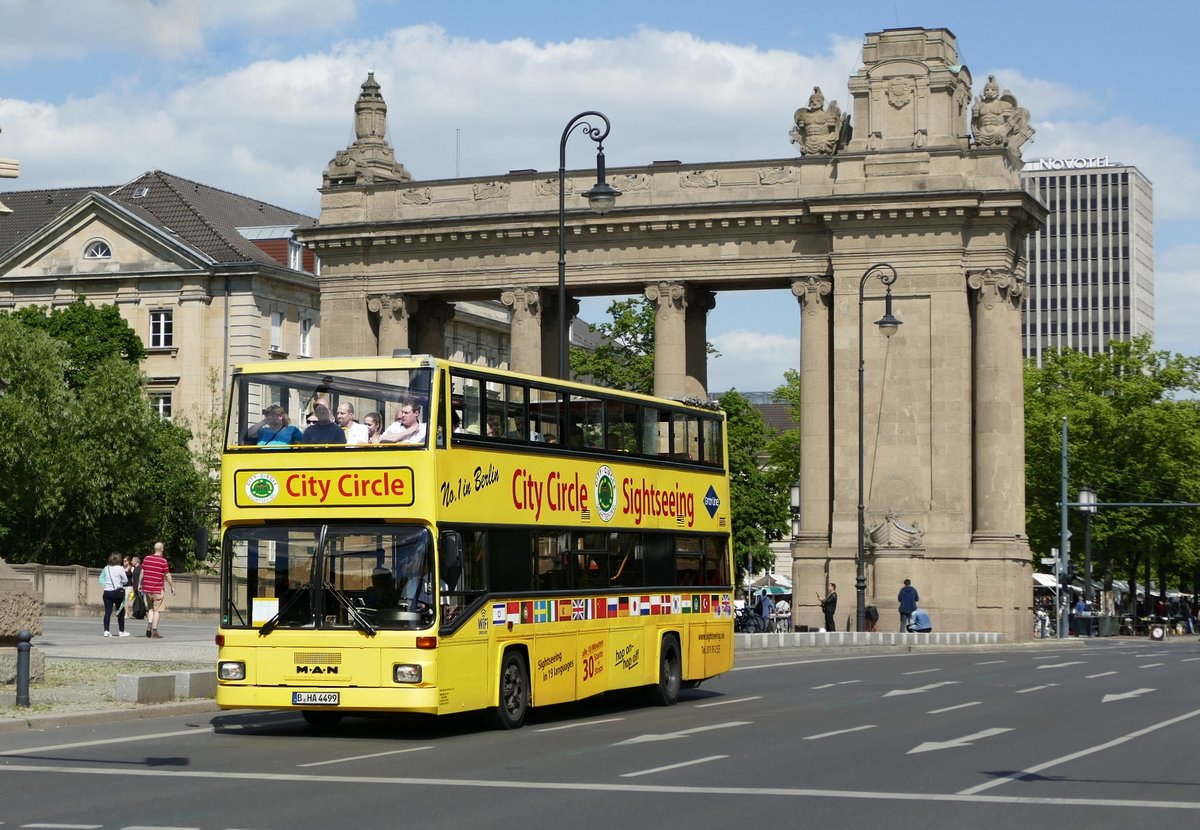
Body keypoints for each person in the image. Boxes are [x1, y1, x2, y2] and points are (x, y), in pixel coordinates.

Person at [138, 541, 176, 638]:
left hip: (147, 589)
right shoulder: (163, 561)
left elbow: (142, 572)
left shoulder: (147, 558)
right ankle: (154, 630)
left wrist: (139, 584)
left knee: (150, 608)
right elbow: (167, 575)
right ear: (162, 549)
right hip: (158, 589)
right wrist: (172, 587)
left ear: (155, 549)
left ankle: (149, 624)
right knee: (157, 610)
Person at [99, 553, 130, 637]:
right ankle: (121, 631)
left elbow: (103, 578)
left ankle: (106, 631)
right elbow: (125, 580)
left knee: (107, 612)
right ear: (119, 560)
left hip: (107, 592)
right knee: (120, 611)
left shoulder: (106, 568)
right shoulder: (120, 568)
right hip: (117, 592)